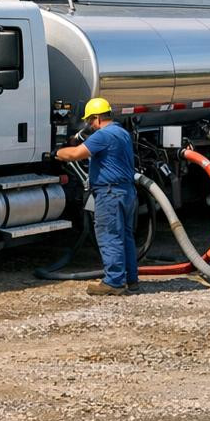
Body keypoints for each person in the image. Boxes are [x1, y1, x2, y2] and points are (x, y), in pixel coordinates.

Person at [55, 97, 138, 295]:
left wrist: (56, 152)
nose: (90, 125)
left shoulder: (103, 135)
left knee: (109, 236)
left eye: (90, 121)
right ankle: (130, 279)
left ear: (98, 118)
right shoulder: (122, 132)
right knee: (125, 236)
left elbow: (76, 154)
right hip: (127, 191)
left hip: (109, 193)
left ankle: (114, 282)